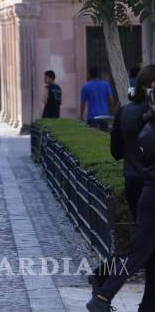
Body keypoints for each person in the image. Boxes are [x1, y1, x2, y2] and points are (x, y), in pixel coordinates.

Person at [86, 81, 155, 311]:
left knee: (142, 249)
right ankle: (103, 295)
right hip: (150, 189)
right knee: (139, 251)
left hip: (143, 188)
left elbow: (118, 151)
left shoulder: (144, 124)